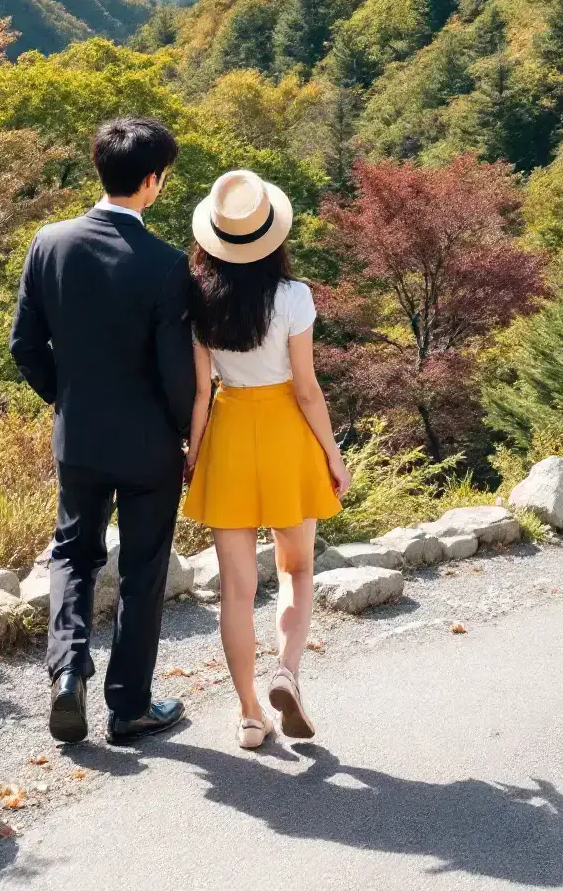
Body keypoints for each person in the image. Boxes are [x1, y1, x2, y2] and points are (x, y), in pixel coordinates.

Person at [10, 116, 196, 746]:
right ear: (153, 181)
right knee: (143, 570)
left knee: (73, 555)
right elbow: (178, 374)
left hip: (80, 437)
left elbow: (25, 346)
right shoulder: (167, 265)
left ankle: (67, 676)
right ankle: (129, 707)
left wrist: (66, 399)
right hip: (149, 447)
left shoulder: (49, 243)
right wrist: (185, 434)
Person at [182, 168, 351, 751]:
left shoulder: (198, 298)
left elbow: (200, 393)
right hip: (285, 434)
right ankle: (287, 672)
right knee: (296, 569)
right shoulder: (294, 297)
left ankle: (251, 714)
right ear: (271, 236)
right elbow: (307, 389)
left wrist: (194, 455)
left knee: (235, 587)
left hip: (228, 434)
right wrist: (333, 454)